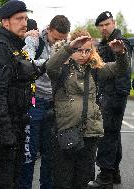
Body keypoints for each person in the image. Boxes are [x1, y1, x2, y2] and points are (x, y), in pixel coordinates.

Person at [46, 29, 129, 189]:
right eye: (79, 50)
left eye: (87, 50)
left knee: (83, 181)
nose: (83, 54)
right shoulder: (61, 68)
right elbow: (50, 67)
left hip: (90, 133)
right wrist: (69, 48)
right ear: (71, 48)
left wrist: (121, 53)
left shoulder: (95, 69)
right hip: (66, 132)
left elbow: (121, 68)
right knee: (63, 181)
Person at [0, 1, 41, 188]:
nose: (24, 22)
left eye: (25, 18)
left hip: (16, 123)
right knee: (0, 181)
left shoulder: (15, 45)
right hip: (3, 129)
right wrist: (6, 132)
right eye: (19, 18)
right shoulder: (0, 47)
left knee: (13, 178)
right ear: (5, 22)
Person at [20, 15, 71, 189]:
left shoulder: (66, 45)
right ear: (48, 29)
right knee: (29, 154)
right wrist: (52, 62)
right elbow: (27, 64)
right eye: (55, 38)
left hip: (54, 102)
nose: (58, 42)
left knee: (50, 155)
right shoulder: (34, 39)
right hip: (34, 101)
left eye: (62, 39)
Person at [88, 11, 132, 188]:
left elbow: (123, 60)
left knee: (107, 135)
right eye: (101, 25)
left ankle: (105, 177)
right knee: (113, 135)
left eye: (107, 24)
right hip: (111, 93)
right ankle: (114, 173)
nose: (104, 28)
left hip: (114, 94)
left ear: (113, 23)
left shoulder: (120, 42)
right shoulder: (106, 43)